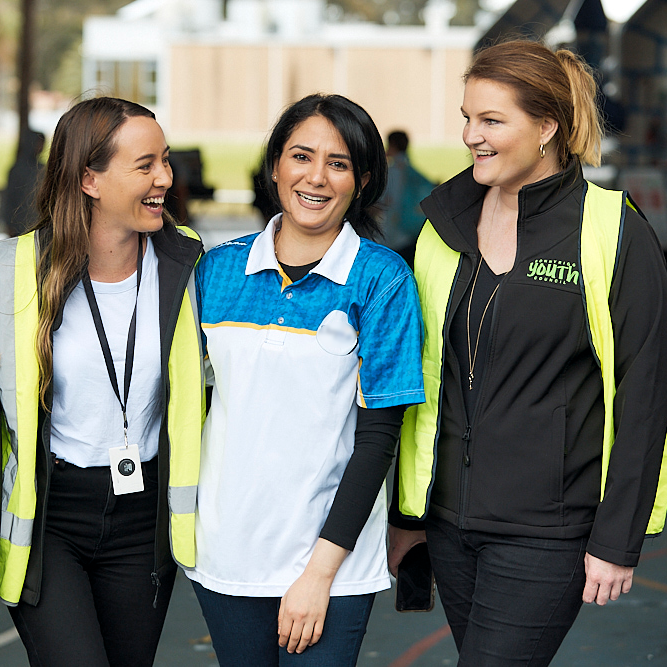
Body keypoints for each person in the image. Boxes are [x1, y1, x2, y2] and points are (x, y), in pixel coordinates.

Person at [388, 39, 667, 666]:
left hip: (551, 531)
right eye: (466, 117)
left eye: (491, 120)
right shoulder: (443, 226)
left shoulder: (611, 228)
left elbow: (646, 394)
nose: (470, 136)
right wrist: (410, 511)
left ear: (547, 127)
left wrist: (618, 538)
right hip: (451, 525)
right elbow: (428, 378)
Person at [188, 93, 425, 666]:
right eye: (301, 156)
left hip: (332, 566)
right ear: (275, 166)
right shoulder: (216, 271)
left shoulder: (381, 279)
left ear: (362, 181)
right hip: (226, 558)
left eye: (339, 163)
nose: (316, 177)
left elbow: (377, 441)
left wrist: (319, 573)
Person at [0, 97, 205, 667]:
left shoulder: (188, 265)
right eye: (145, 165)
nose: (166, 177)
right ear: (89, 178)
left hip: (143, 520)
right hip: (51, 520)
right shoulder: (12, 274)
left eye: (165, 161)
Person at [376, 130, 433, 268]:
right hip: (411, 230)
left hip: (394, 232)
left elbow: (386, 200)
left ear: (392, 145)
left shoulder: (392, 171)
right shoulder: (411, 170)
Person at [1, 128, 45, 237]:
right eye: (38, 143)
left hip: (38, 225)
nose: (41, 147)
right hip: (18, 225)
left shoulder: (42, 169)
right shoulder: (17, 170)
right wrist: (9, 224)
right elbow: (9, 198)